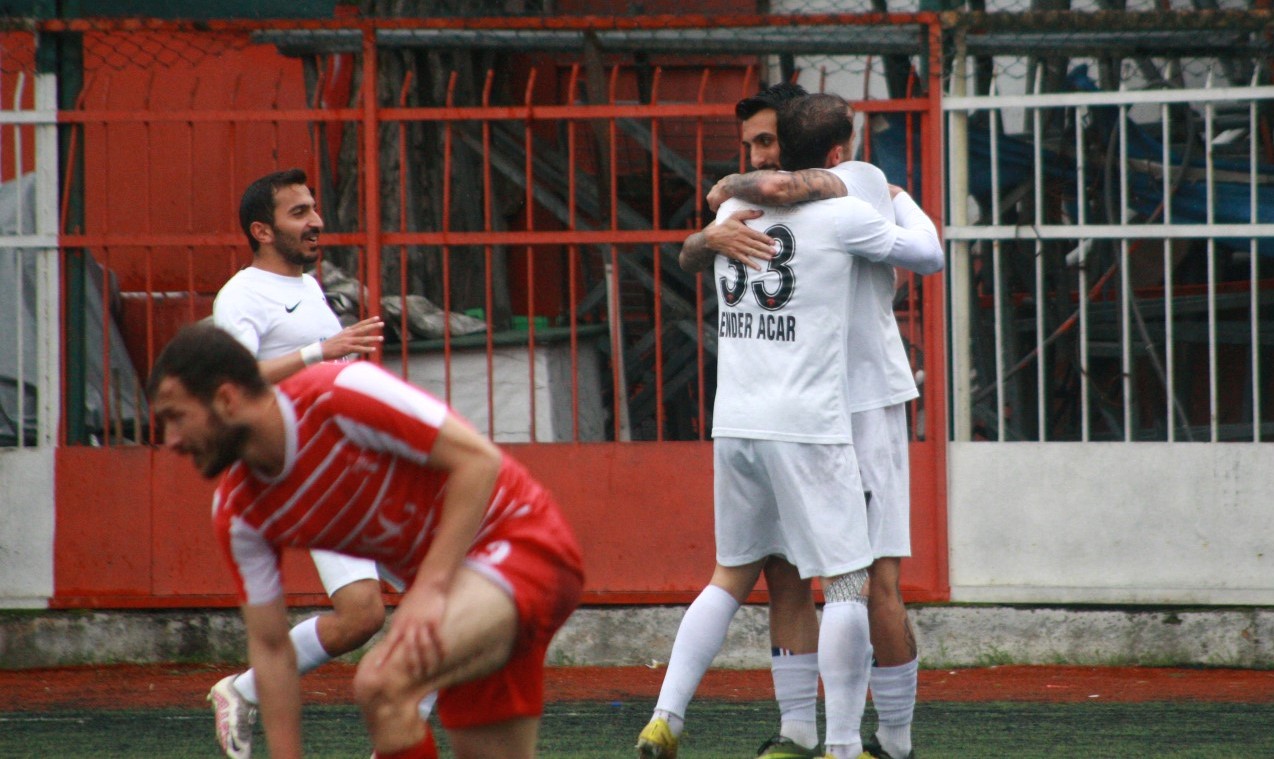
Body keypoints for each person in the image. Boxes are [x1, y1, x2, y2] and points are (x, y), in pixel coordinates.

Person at [636, 93, 941, 759]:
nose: (762, 158)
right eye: (750, 145)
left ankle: (891, 740)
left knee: (861, 581)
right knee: (826, 579)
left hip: (830, 406)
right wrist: (706, 232)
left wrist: (723, 198)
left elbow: (776, 187)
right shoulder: (796, 211)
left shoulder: (829, 187)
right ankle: (817, 736)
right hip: (810, 414)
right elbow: (928, 254)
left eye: (768, 141)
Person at [147, 322, 585, 759]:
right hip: (464, 597)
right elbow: (271, 647)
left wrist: (429, 589)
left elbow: (478, 460)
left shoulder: (340, 394)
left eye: (176, 417)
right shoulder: (239, 513)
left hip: (524, 543)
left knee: (382, 682)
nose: (171, 441)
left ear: (226, 399)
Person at [207, 168, 389, 759]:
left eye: (314, 208)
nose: (315, 221)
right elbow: (229, 381)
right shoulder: (241, 295)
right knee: (459, 597)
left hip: (350, 464)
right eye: (298, 213)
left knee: (364, 617)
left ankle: (242, 691)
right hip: (308, 474)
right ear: (262, 230)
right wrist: (322, 351)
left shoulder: (307, 286)